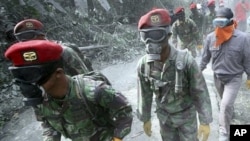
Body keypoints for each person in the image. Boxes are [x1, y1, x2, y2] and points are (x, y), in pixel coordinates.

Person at [4, 40, 133, 141]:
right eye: (24, 77)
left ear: (58, 73)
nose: (30, 85)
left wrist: (117, 138)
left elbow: (124, 110)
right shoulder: (40, 99)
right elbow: (47, 124)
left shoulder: (92, 90)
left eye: (35, 77)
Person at [136, 8, 213, 141]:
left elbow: (200, 91)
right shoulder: (144, 65)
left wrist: (205, 121)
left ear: (168, 35)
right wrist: (145, 118)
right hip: (165, 121)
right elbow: (144, 94)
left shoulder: (186, 61)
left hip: (186, 120)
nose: (151, 42)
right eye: (145, 36)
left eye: (156, 35)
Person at [200, 7, 250, 141]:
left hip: (234, 78)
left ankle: (224, 133)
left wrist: (249, 76)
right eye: (216, 22)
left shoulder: (243, 38)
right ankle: (229, 114)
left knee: (225, 104)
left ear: (230, 21)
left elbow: (247, 58)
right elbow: (204, 58)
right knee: (225, 103)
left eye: (222, 22)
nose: (219, 26)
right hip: (218, 77)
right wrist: (197, 71)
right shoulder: (211, 38)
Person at [13, 18, 93, 74]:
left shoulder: (63, 52)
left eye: (28, 35)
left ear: (41, 35)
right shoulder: (26, 59)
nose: (25, 41)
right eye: (20, 38)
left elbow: (87, 79)